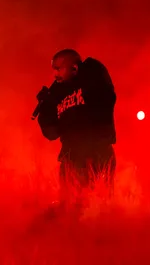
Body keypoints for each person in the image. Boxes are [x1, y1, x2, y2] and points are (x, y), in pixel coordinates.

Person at [36, 49, 117, 213]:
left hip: (97, 152)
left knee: (98, 204)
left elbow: (106, 91)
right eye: (53, 69)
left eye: (58, 68)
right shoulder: (58, 95)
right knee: (69, 206)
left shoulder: (92, 79)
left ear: (73, 67)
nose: (55, 74)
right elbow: (51, 134)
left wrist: (83, 67)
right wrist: (45, 108)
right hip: (70, 158)